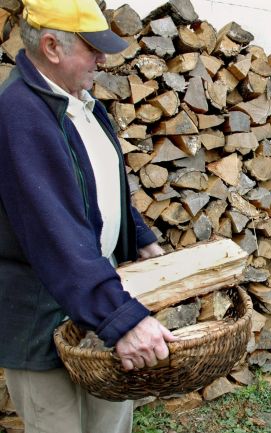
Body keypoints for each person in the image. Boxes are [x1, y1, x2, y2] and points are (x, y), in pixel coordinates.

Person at [0, 0, 177, 431]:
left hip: (95, 297)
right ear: (52, 47)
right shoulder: (19, 115)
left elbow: (98, 188)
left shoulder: (83, 105)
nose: (103, 58)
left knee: (112, 424)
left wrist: (137, 234)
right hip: (45, 316)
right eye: (92, 47)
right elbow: (53, 229)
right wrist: (122, 319)